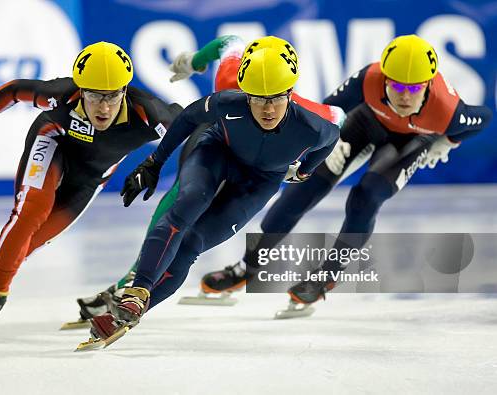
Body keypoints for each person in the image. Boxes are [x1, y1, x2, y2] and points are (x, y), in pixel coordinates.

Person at [0, 42, 183, 340]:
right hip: (52, 144)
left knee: (26, 246)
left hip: (90, 176)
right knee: (31, 211)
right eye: (95, 96)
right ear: (81, 90)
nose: (104, 107)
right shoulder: (60, 95)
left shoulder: (150, 112)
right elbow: (12, 91)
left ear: (124, 90)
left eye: (112, 96)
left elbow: (192, 127)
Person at [66, 35, 346, 327]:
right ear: (244, 89)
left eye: (275, 98)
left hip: (261, 178)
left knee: (191, 244)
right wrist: (154, 161)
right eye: (257, 98)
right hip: (218, 150)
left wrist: (305, 170)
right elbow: (190, 114)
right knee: (185, 204)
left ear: (290, 92)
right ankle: (137, 287)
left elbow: (336, 127)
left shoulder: (315, 123)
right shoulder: (229, 90)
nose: (267, 110)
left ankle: (132, 312)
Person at [199, 34, 493, 309]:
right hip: (367, 123)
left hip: (412, 141)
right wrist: (328, 141)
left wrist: (448, 140)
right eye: (397, 86)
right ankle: (249, 265)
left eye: (414, 88)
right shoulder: (370, 78)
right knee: (303, 187)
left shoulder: (448, 111)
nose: (405, 96)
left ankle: (327, 273)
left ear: (429, 85)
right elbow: (326, 111)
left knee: (365, 197)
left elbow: (483, 118)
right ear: (384, 78)